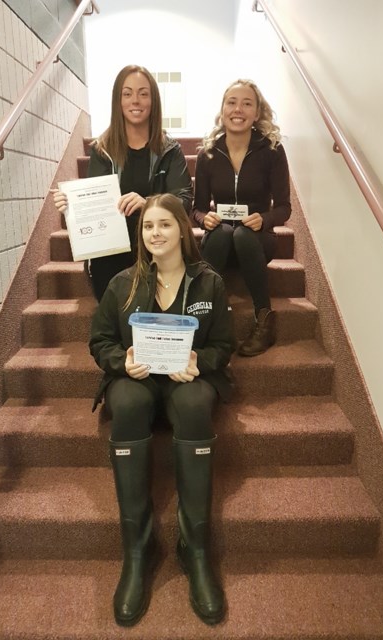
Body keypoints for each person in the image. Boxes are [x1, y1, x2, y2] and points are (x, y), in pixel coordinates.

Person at [90, 193, 233, 626]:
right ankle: (139, 546)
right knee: (128, 403)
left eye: (165, 225)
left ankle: (196, 549)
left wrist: (199, 362)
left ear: (182, 230)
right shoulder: (123, 283)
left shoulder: (209, 282)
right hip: (137, 379)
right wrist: (122, 362)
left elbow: (224, 346)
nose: (156, 233)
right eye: (148, 226)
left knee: (193, 405)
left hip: (187, 381)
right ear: (141, 233)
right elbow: (99, 342)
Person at [52, 65, 193, 301]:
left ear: (153, 100)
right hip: (113, 244)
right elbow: (95, 201)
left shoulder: (169, 149)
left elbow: (184, 200)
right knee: (109, 275)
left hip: (156, 240)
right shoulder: (102, 149)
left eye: (143, 93)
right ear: (118, 101)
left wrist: (147, 204)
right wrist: (72, 203)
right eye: (127, 94)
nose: (135, 101)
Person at [191, 79, 291, 357]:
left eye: (247, 103)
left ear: (257, 113)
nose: (238, 109)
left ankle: (264, 320)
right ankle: (205, 320)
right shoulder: (208, 154)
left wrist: (265, 219)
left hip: (257, 242)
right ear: (222, 110)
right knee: (224, 233)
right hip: (219, 240)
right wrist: (204, 219)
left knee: (243, 235)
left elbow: (284, 207)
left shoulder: (272, 151)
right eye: (232, 102)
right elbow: (196, 208)